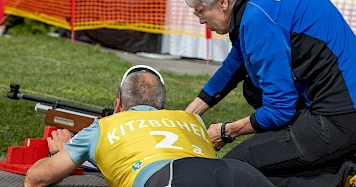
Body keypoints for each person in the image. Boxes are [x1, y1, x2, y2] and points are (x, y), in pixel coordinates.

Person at [184, 0, 356, 187]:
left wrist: (226, 131)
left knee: (237, 169)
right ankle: (325, 154)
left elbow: (280, 108)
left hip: (347, 119)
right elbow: (234, 65)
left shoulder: (257, 21)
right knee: (253, 89)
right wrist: (187, 116)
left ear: (222, 2)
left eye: (200, 11)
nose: (201, 20)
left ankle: (351, 172)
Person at [24, 65, 274, 187]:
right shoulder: (192, 120)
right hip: (236, 171)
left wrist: (59, 151)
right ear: (161, 107)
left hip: (172, 179)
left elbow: (36, 180)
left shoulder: (104, 127)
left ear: (118, 103)